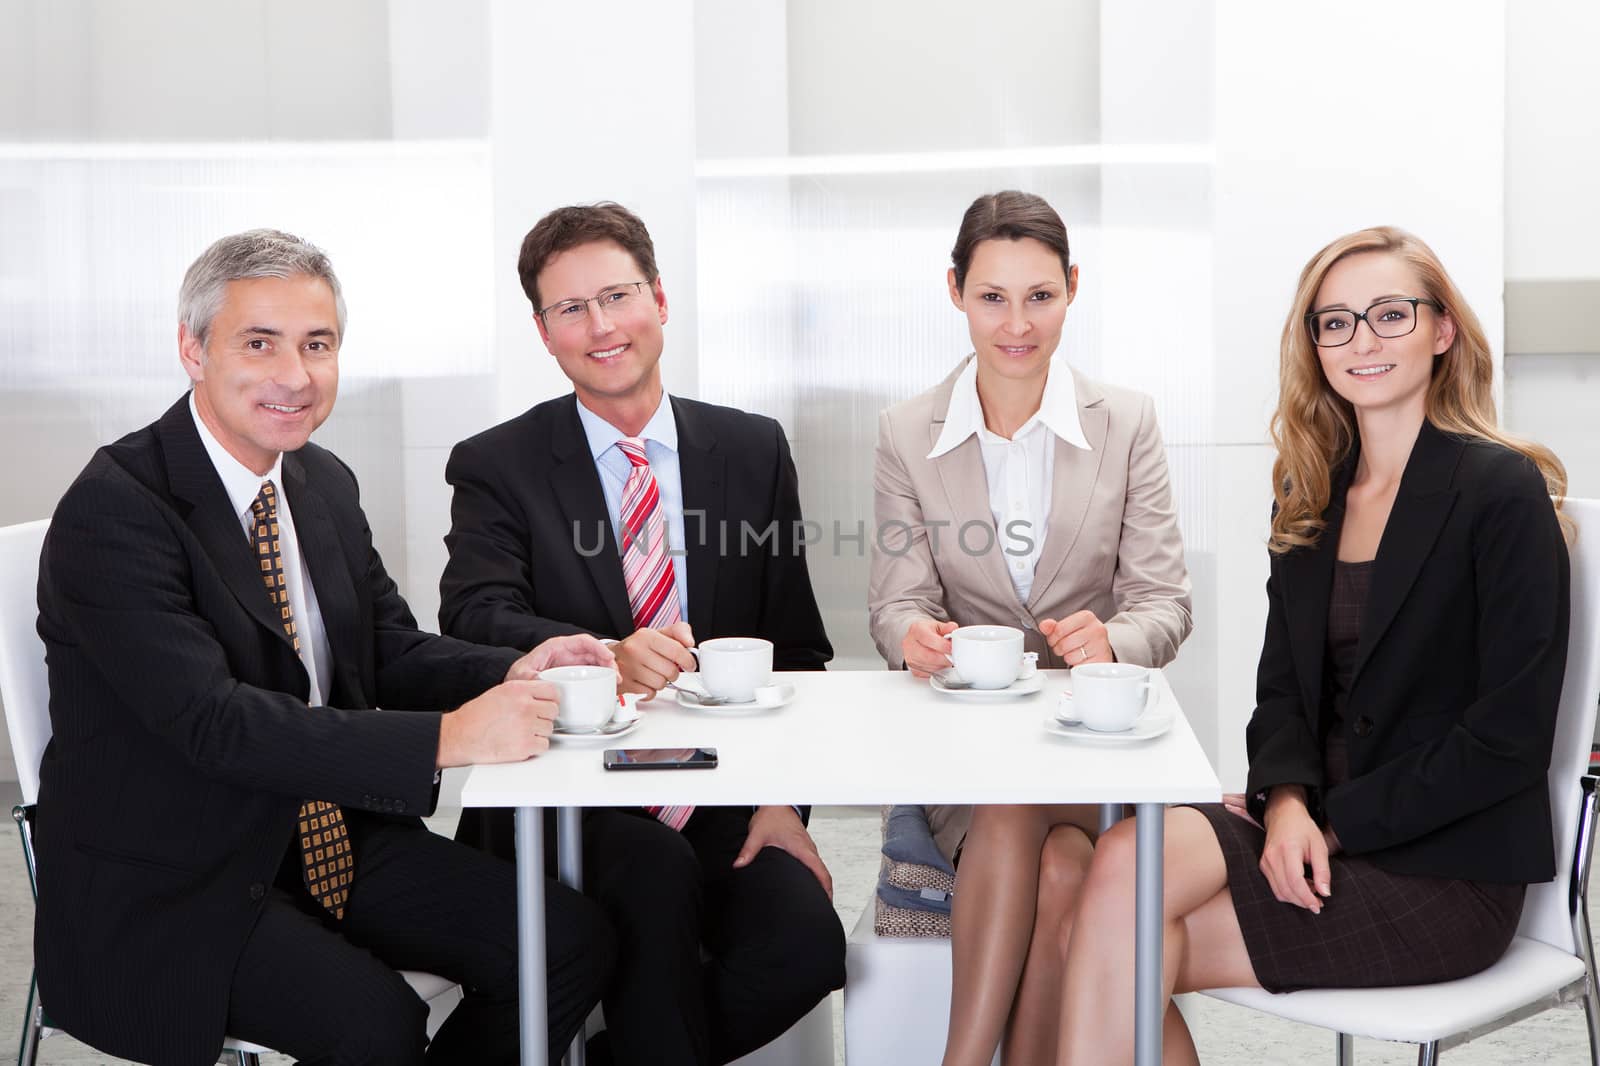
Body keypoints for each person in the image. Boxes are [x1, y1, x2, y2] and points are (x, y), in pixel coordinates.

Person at [32, 229, 617, 1066]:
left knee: (570, 941)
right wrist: (451, 738)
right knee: (373, 1022)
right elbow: (215, 725)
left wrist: (519, 665)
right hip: (177, 879)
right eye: (259, 343)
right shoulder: (115, 510)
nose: (295, 376)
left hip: (319, 834)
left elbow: (381, 644)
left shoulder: (318, 482)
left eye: (318, 345)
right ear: (191, 351)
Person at [1057, 226, 1572, 1065]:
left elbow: (1508, 739)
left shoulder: (1499, 490)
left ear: (1443, 331)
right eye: (1334, 323)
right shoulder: (1311, 493)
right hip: (1311, 821)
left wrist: (1329, 822)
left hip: (1444, 869)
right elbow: (1283, 694)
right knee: (1124, 863)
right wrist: (1287, 800)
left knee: (1131, 942)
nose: (1360, 340)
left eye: (1389, 315)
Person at [439, 202, 843, 1065]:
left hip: (726, 787)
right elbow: (474, 615)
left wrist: (782, 802)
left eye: (617, 297)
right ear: (543, 332)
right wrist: (603, 653)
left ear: (659, 299)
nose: (600, 326)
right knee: (654, 886)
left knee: (805, 945)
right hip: (562, 791)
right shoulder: (497, 463)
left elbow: (799, 650)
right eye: (570, 309)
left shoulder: (752, 449)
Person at [867, 190, 1193, 1065]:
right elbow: (894, 602)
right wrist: (913, 639)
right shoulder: (906, 432)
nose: (1017, 323)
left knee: (1027, 816)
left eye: (1040, 296)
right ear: (955, 292)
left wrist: (1115, 642)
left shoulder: (1126, 423)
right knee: (1055, 868)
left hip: (1094, 750)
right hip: (969, 754)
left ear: (1073, 289)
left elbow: (1166, 603)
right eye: (993, 297)